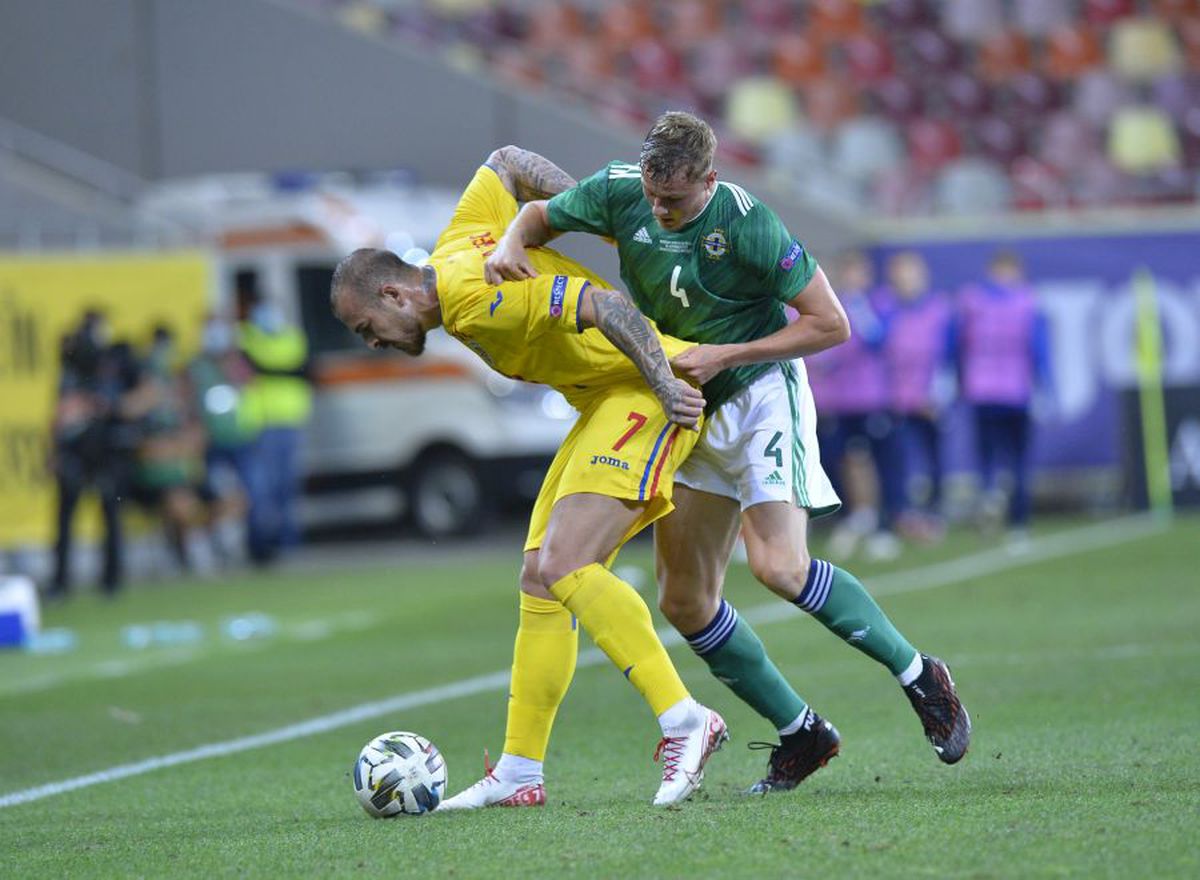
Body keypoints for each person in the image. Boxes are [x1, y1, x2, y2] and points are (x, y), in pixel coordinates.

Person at [484, 111, 971, 797]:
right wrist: (510, 241)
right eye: (653, 196)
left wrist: (729, 354)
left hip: (760, 393)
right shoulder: (622, 189)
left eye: (675, 201)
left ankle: (920, 675)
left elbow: (831, 324)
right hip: (687, 403)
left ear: (709, 181)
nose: (660, 211)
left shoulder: (749, 223)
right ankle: (802, 731)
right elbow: (538, 217)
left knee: (778, 567)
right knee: (684, 601)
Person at [330, 146, 728, 808]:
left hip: (647, 387)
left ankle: (685, 719)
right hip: (606, 398)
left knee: (569, 563)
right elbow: (508, 161)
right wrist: (591, 214)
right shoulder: (458, 239)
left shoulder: (470, 300)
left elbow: (607, 308)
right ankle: (519, 769)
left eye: (367, 327)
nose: (373, 343)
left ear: (395, 294)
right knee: (541, 575)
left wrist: (665, 383)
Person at [807, 250, 904, 560]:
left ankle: (882, 527)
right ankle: (856, 517)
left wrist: (859, 307)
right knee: (839, 460)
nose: (852, 279)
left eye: (857, 273)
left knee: (878, 461)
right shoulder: (830, 303)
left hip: (871, 398)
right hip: (839, 400)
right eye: (848, 272)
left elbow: (878, 339)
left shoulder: (878, 302)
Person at [953, 250, 1053, 541]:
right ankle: (1016, 520)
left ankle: (992, 499)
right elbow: (1039, 350)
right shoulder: (1028, 301)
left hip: (985, 391)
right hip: (1012, 392)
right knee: (1016, 459)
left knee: (991, 457)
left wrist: (959, 382)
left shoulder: (971, 301)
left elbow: (957, 348)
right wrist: (1046, 388)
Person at [47, 310, 138, 598]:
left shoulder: (116, 365)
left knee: (110, 517)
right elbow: (62, 415)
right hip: (76, 451)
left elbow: (136, 399)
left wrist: (105, 405)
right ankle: (61, 583)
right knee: (66, 522)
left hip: (104, 450)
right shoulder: (73, 371)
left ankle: (111, 581)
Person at [877, 250, 955, 542]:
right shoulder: (885, 308)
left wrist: (938, 393)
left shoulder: (939, 309)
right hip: (895, 400)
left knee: (933, 459)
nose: (905, 281)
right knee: (895, 461)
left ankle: (934, 513)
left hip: (930, 400)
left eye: (909, 274)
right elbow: (878, 349)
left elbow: (949, 355)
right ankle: (899, 517)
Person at [237, 290, 312, 563]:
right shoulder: (246, 337)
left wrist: (267, 369)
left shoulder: (291, 337)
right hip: (261, 424)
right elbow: (285, 368)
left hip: (290, 421)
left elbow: (299, 368)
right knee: (262, 489)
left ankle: (287, 542)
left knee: (286, 486)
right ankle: (263, 544)